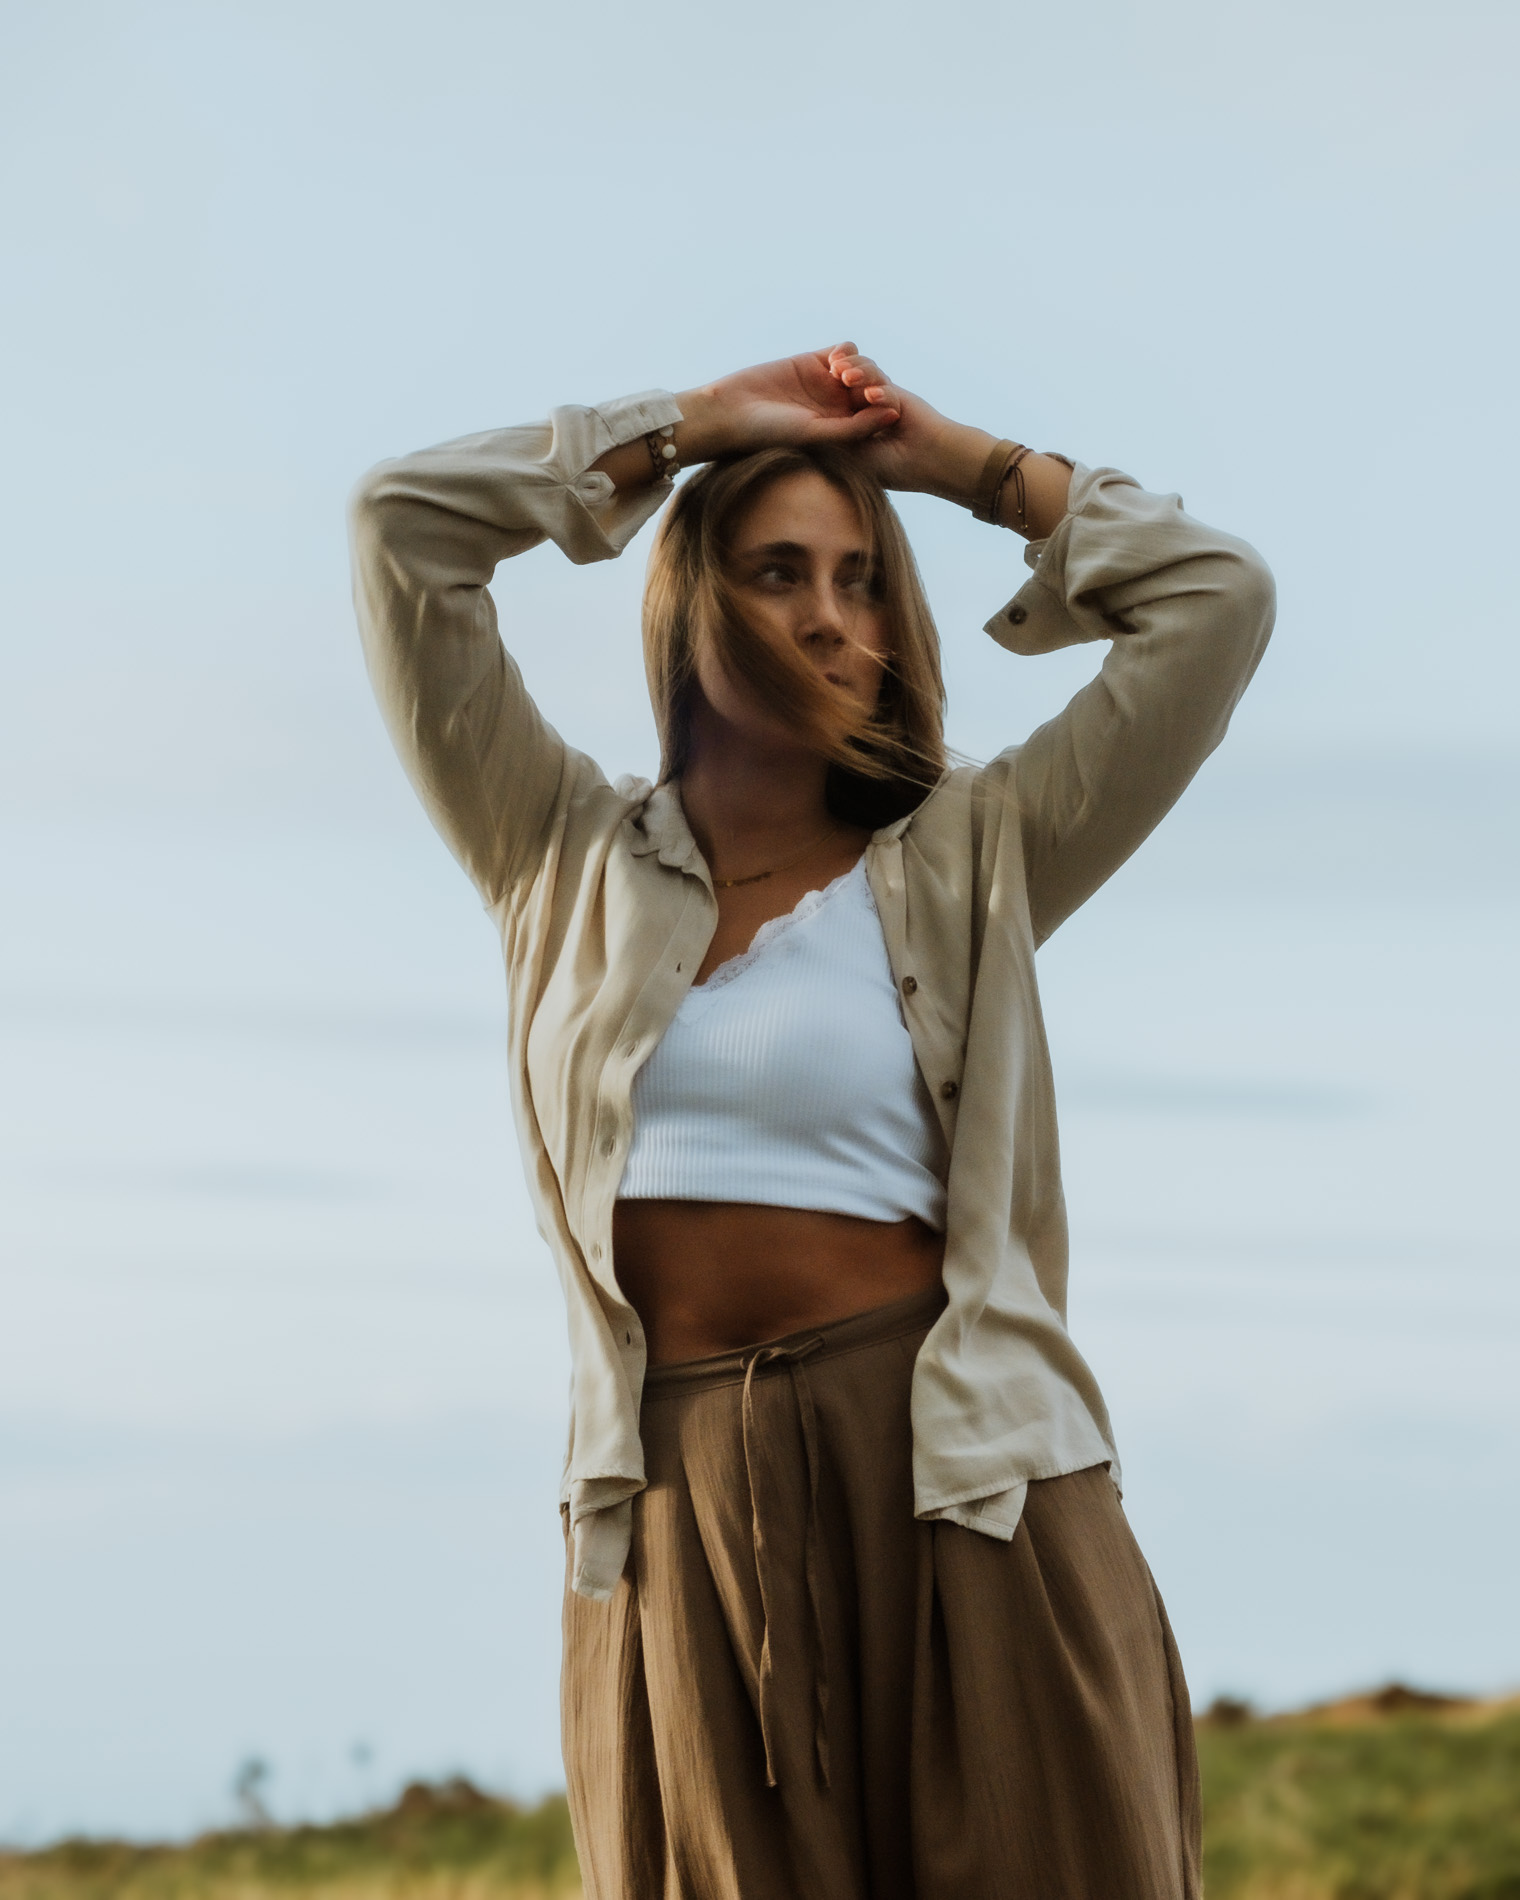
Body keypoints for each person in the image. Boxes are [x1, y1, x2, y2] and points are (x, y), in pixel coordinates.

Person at [349, 343, 1274, 1899]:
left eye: (860, 580)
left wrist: (961, 463)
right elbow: (404, 527)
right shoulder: (552, 852)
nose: (831, 616)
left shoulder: (978, 850)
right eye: (778, 572)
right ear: (692, 605)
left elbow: (1216, 600)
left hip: (960, 1476)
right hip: (679, 1499)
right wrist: (698, 427)